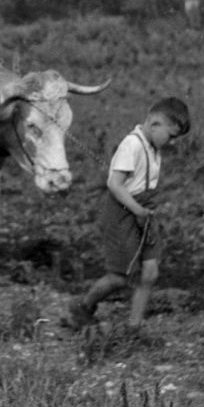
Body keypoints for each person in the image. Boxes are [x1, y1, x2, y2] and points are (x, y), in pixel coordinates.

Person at [62, 96, 191, 335]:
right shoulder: (132, 145)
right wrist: (137, 210)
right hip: (123, 213)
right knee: (119, 277)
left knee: (150, 271)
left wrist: (145, 211)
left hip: (145, 212)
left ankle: (134, 328)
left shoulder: (153, 146)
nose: (172, 143)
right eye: (171, 136)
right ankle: (83, 306)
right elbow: (115, 184)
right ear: (154, 124)